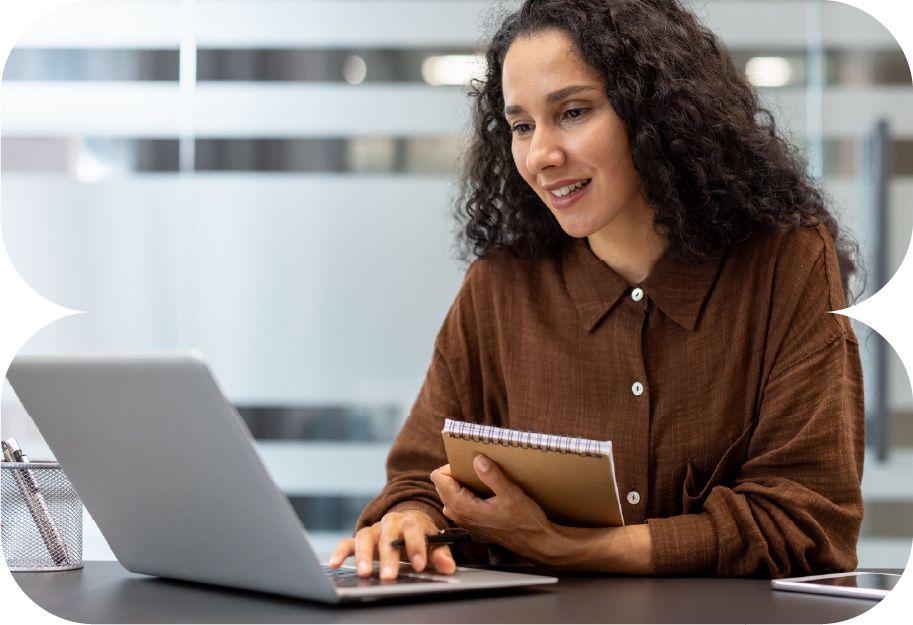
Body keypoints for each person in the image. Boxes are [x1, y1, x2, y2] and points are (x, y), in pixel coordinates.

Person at [330, 0, 865, 580]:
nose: (541, 156)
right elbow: (419, 474)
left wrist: (565, 547)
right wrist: (407, 517)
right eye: (522, 126)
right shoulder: (500, 288)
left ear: (656, 113)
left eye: (574, 111)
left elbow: (807, 526)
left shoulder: (785, 264)